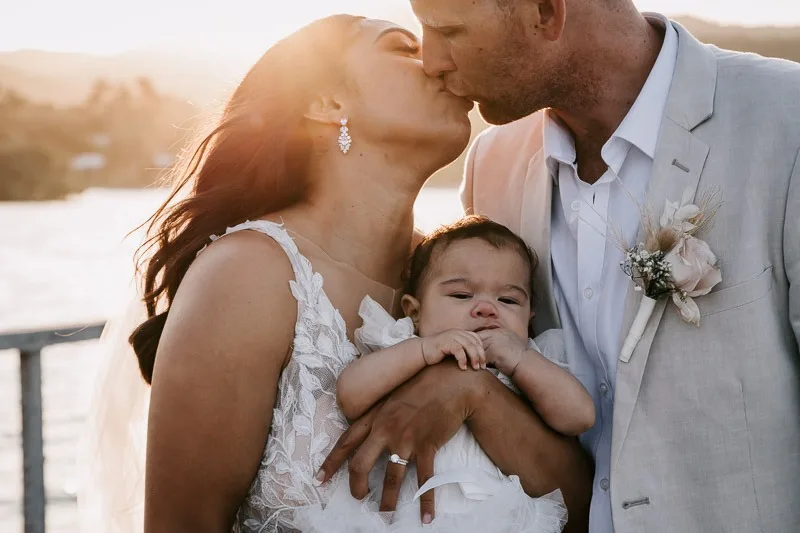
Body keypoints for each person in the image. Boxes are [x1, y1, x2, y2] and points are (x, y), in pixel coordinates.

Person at [77, 14, 593, 533]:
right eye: (403, 48)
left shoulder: (464, 276)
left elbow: (580, 505)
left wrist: (472, 393)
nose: (439, 64)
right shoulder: (250, 274)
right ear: (328, 103)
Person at [329, 0, 797, 532]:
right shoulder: (493, 165)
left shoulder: (786, 122)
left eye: (448, 29)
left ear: (547, 13)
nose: (431, 60)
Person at [326, 215, 595, 531]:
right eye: (461, 295)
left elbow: (580, 417)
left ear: (529, 318)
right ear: (414, 312)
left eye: (508, 300)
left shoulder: (533, 360)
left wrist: (520, 360)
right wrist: (426, 350)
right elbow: (350, 394)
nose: (486, 308)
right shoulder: (406, 346)